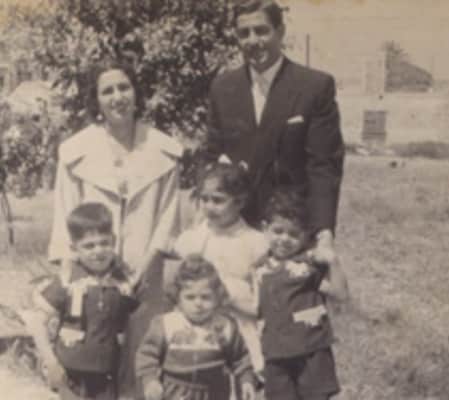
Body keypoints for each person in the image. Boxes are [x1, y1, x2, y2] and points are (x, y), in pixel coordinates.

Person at [48, 60, 183, 398]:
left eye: (124, 87)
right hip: (89, 277)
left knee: (139, 362)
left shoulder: (164, 151)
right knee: (89, 364)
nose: (117, 97)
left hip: (143, 275)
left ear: (137, 93)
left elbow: (168, 218)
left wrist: (145, 269)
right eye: (107, 91)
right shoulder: (75, 152)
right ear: (96, 99)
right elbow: (65, 216)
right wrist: (69, 275)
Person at [207, 0, 345, 266]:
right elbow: (211, 155)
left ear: (280, 32)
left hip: (291, 232)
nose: (253, 41)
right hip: (236, 229)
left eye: (261, 31)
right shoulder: (222, 88)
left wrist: (324, 232)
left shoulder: (314, 87)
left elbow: (323, 165)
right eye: (244, 33)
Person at [26, 203, 138, 400]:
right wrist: (51, 362)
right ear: (74, 248)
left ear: (114, 241)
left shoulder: (122, 282)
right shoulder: (68, 281)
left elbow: (130, 327)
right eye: (89, 246)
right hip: (71, 377)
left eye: (104, 243)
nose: (98, 251)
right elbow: (36, 321)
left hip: (108, 377)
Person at [172, 157, 268, 374]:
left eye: (218, 200)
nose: (209, 207)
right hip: (197, 331)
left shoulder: (255, 243)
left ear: (240, 202)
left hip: (239, 328)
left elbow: (261, 304)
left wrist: (229, 296)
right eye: (204, 199)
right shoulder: (192, 240)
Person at [254, 188, 349, 400]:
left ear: (305, 235)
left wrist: (333, 262)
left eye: (293, 234)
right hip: (275, 354)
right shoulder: (258, 268)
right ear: (265, 229)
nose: (284, 239)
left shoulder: (309, 266)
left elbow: (340, 295)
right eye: (278, 231)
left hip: (311, 352)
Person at [135, 255, 256, 400]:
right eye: (190, 297)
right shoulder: (167, 324)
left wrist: (246, 381)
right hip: (174, 391)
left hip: (214, 392)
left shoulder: (225, 326)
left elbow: (241, 358)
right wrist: (150, 380)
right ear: (178, 298)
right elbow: (148, 355)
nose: (198, 304)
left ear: (217, 297)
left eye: (205, 297)